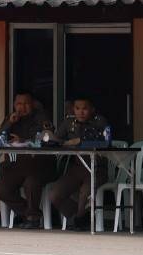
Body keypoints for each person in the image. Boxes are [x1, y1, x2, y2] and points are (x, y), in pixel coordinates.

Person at [46, 97, 113, 227]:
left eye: (85, 108)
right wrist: (49, 137)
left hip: (97, 168)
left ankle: (81, 218)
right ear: (73, 109)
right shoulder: (69, 122)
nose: (81, 112)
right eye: (77, 108)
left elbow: (107, 143)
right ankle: (79, 217)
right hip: (77, 168)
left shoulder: (100, 121)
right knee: (55, 194)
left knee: (85, 192)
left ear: (92, 109)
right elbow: (57, 140)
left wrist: (80, 142)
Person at [0, 93, 53, 228]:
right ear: (14, 105)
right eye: (19, 104)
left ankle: (32, 218)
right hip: (16, 166)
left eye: (26, 104)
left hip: (39, 165)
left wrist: (23, 141)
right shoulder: (12, 118)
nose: (22, 107)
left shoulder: (41, 117)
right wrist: (9, 123)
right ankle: (28, 213)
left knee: (31, 182)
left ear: (33, 104)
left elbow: (47, 138)